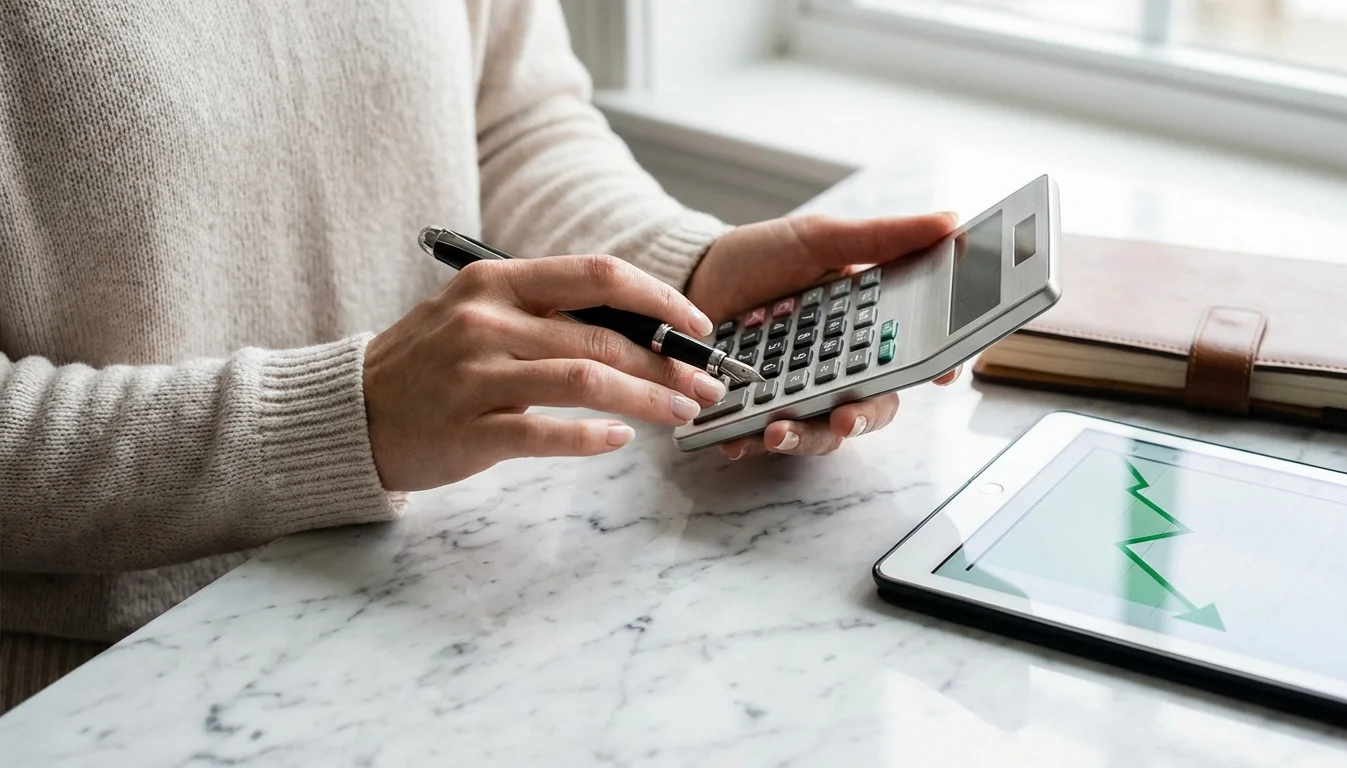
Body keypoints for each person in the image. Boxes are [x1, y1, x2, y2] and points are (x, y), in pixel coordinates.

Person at [0, 1, 960, 712]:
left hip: (438, 589)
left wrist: (682, 271)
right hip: (108, 689)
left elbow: (511, 118)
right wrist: (342, 419)